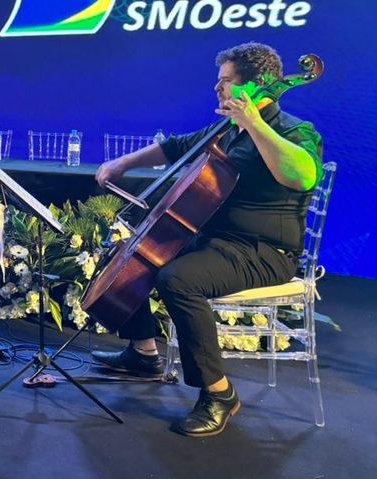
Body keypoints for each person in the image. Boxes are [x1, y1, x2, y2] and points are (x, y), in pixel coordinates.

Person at [92, 42, 323, 437]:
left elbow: (303, 176)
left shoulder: (293, 130)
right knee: (134, 250)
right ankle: (144, 352)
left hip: (265, 251)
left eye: (226, 81)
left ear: (256, 85)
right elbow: (174, 147)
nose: (217, 88)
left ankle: (219, 393)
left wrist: (255, 124)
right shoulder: (226, 130)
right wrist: (121, 163)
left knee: (178, 279)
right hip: (218, 241)